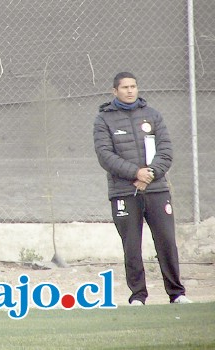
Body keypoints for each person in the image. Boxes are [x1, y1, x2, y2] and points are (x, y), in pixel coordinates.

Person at [93, 72, 192, 305]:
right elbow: (105, 155)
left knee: (166, 241)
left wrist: (150, 174)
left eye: (133, 86)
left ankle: (176, 293)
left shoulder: (152, 115)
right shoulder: (103, 119)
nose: (130, 91)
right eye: (125, 87)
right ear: (114, 91)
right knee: (132, 245)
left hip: (156, 189)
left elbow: (166, 151)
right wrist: (135, 173)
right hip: (124, 191)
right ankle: (138, 295)